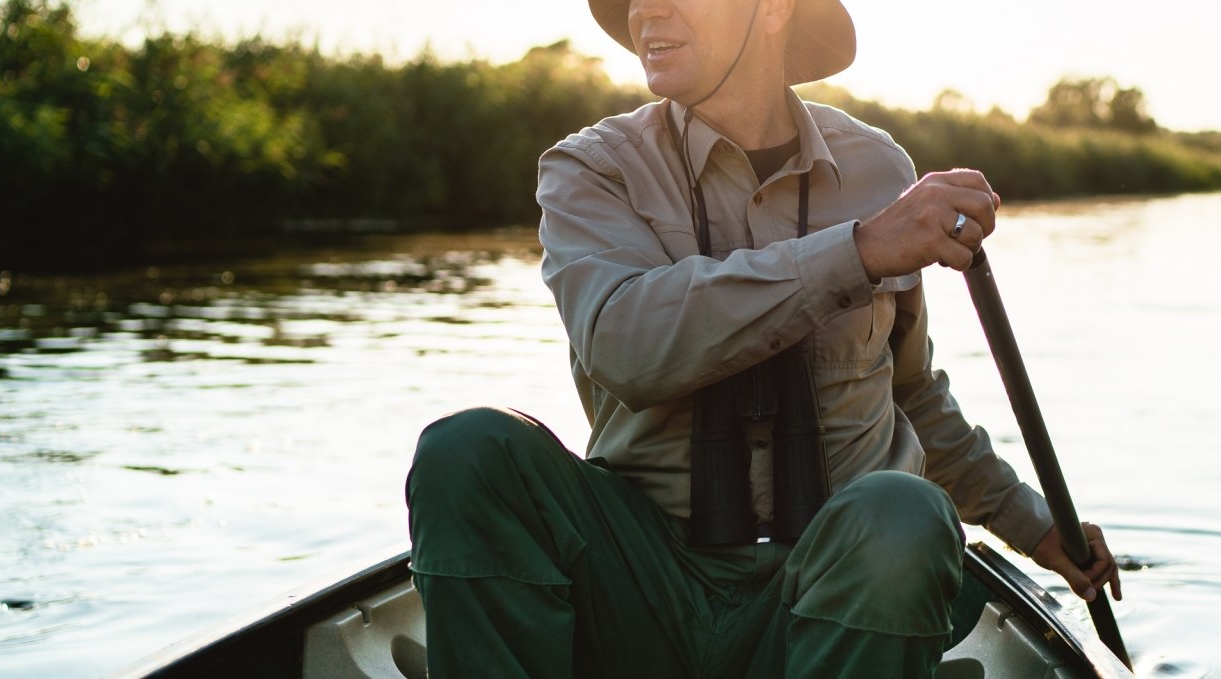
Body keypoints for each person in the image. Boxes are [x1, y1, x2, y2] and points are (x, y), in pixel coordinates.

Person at [404, 0, 1122, 675]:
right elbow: (625, 344)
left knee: (904, 513)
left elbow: (910, 397)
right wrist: (859, 251)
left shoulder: (880, 171)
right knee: (466, 451)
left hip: (829, 586)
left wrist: (1033, 523)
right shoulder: (592, 167)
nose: (642, 11)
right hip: (643, 581)